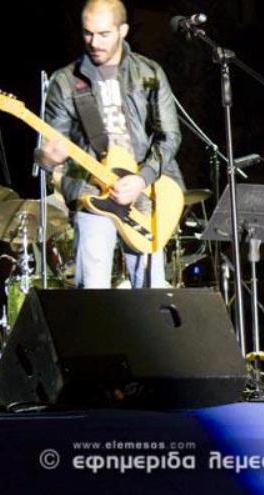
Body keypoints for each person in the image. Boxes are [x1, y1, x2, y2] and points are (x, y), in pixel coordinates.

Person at [36, 0, 184, 288]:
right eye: (88, 33)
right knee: (93, 292)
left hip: (145, 193)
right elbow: (50, 146)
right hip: (92, 193)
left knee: (151, 292)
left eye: (104, 34)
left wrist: (142, 179)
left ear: (123, 30)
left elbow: (170, 135)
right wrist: (48, 158)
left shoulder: (149, 73)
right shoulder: (65, 81)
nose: (94, 42)